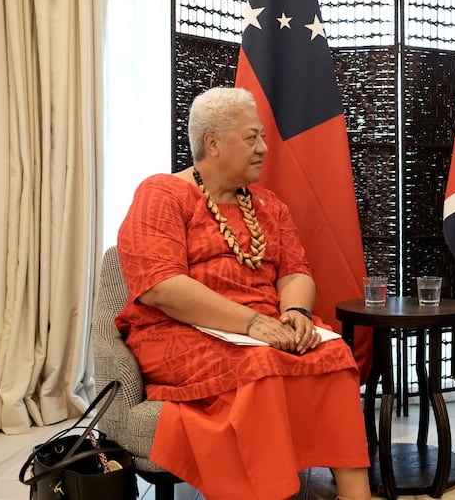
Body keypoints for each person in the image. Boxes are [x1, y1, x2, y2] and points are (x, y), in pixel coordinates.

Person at [115, 86, 371, 500]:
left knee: (334, 354)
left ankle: (356, 496)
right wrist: (252, 324)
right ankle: (269, 491)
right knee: (263, 363)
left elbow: (296, 272)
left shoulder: (270, 205)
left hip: (264, 325)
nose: (265, 148)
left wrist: (296, 314)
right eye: (251, 137)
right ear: (212, 143)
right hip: (180, 331)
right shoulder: (161, 193)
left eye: (263, 137)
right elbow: (162, 287)